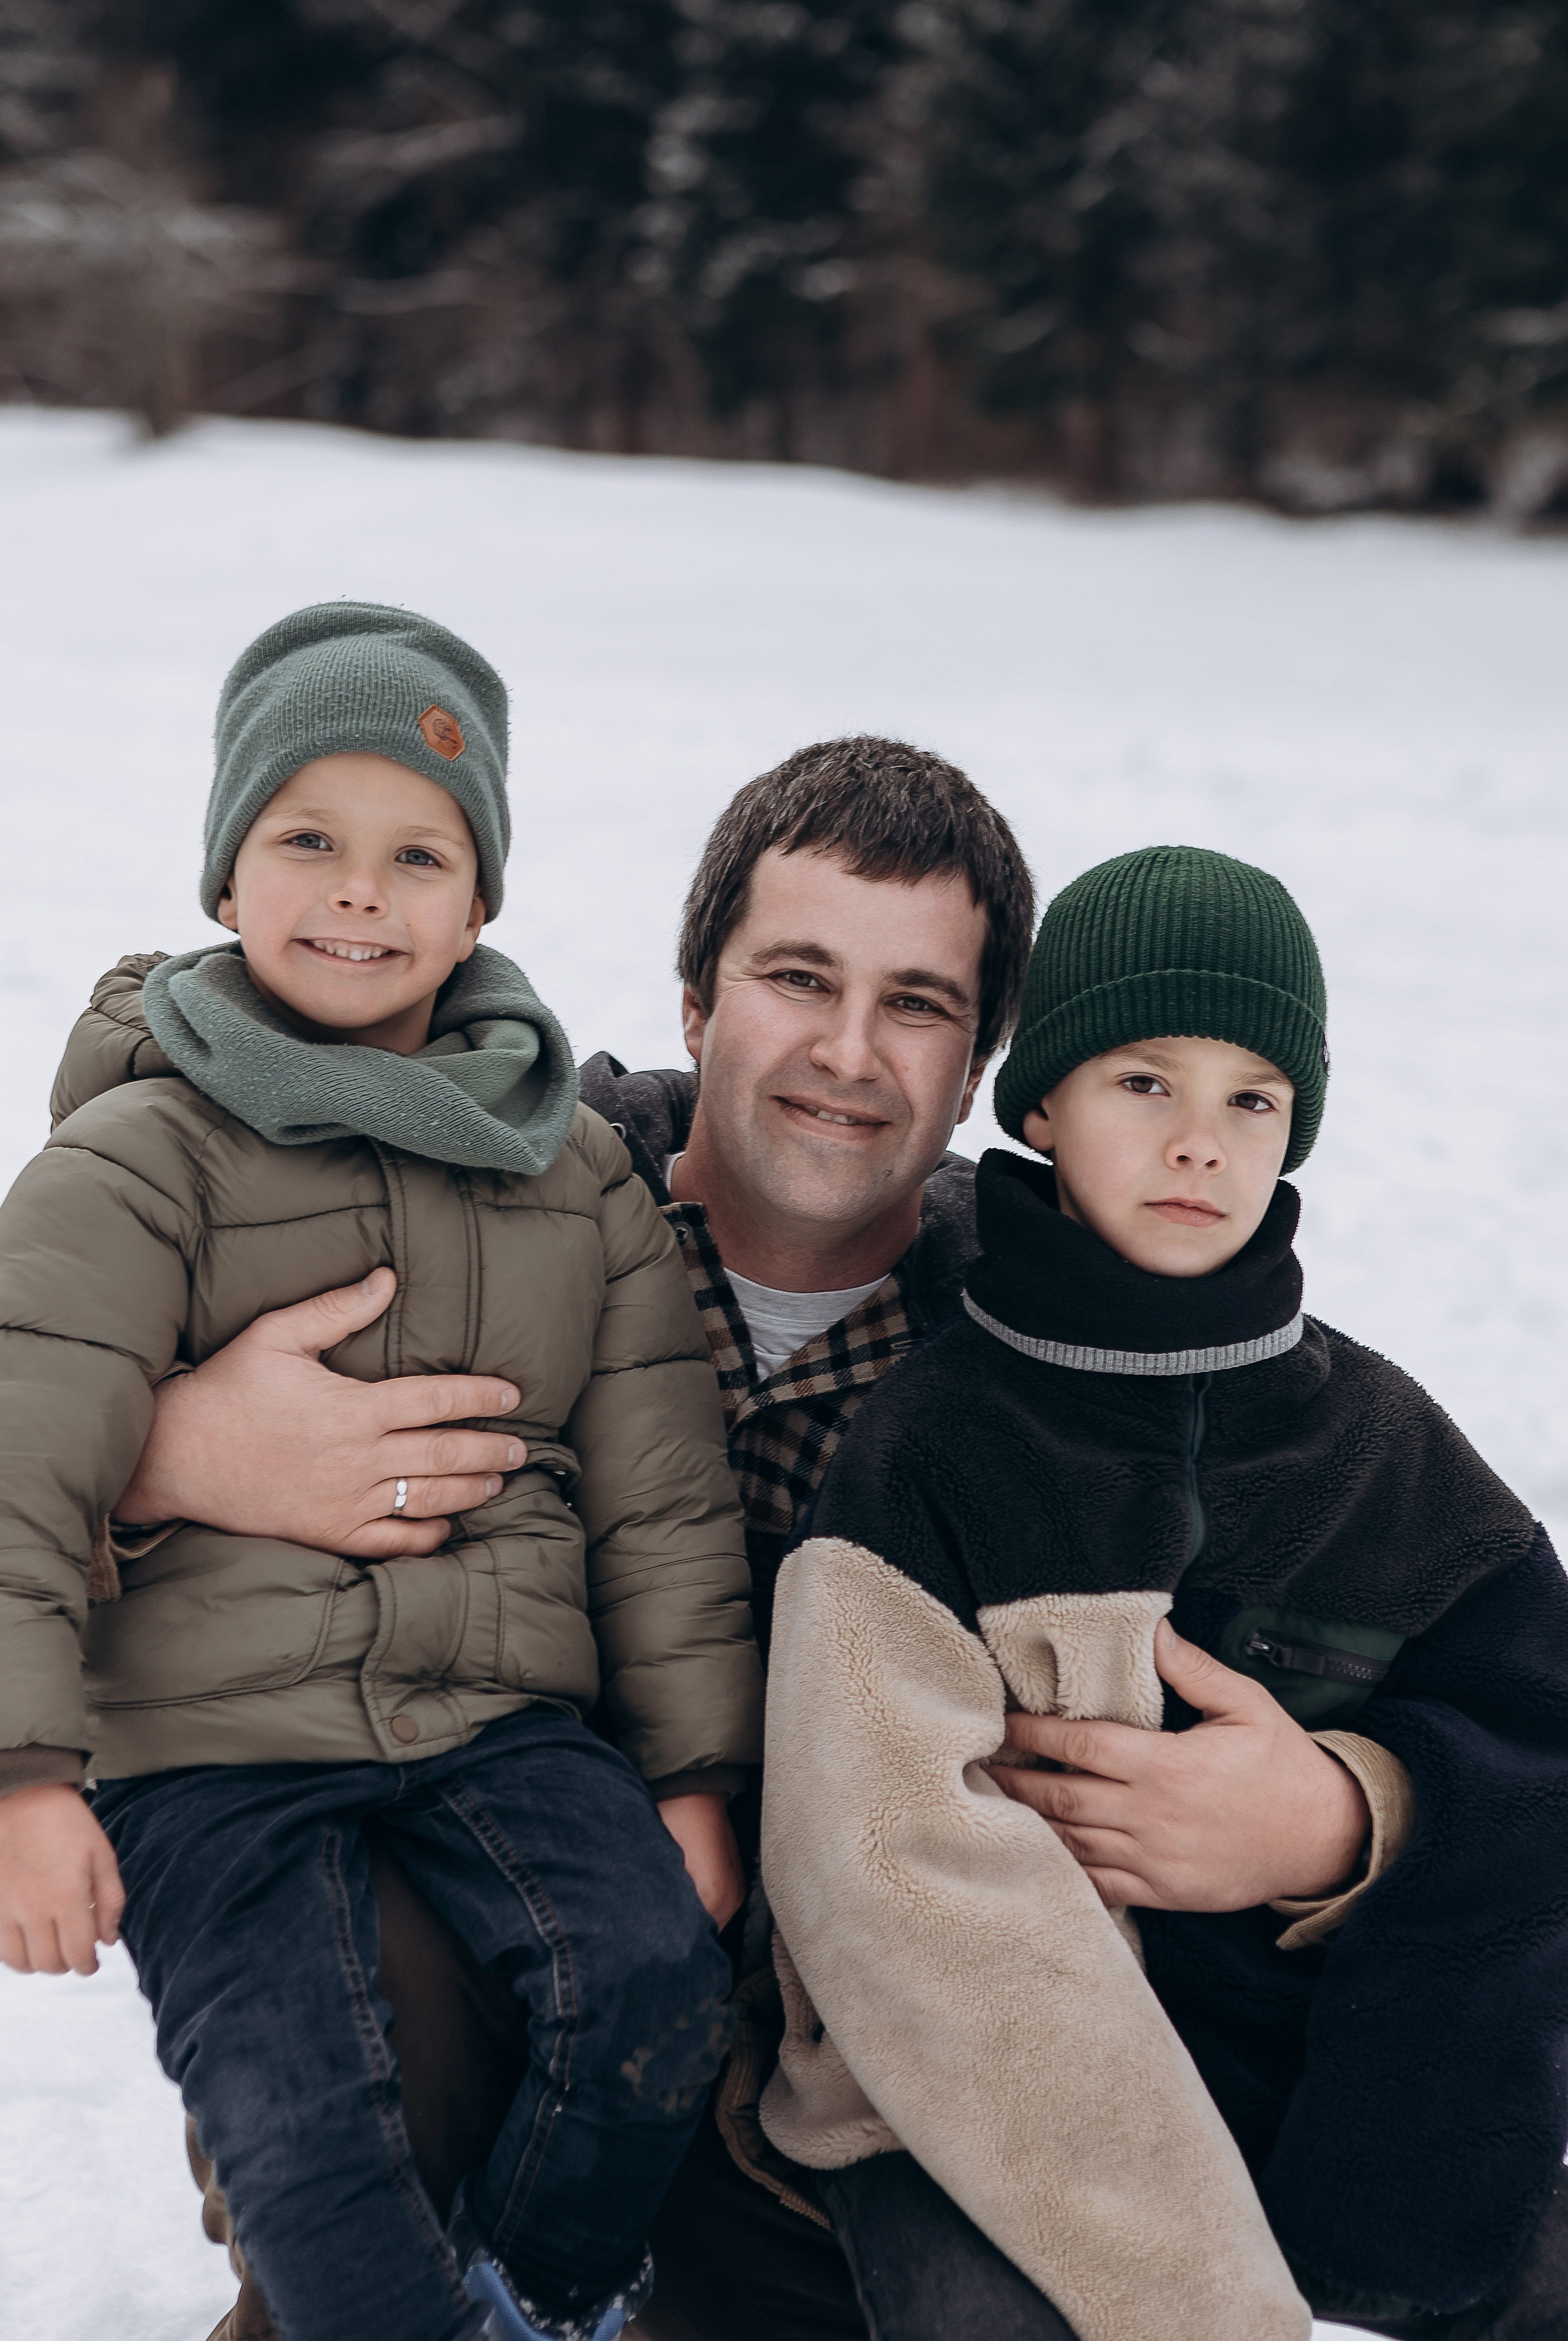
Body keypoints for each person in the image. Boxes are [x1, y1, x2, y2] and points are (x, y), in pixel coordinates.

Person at [88, 749, 1435, 2341]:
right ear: (694, 996)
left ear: (987, 1062)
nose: (850, 1054)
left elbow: (1476, 1683)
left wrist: (1345, 1817)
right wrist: (161, 1453)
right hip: (444, 2006)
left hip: (835, 2082)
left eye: (919, 1004)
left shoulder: (1092, 1344)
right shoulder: (454, 1217)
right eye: (799, 978)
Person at [0, 602, 764, 2341]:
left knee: (650, 1988)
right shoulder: (138, 1157)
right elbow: (21, 1443)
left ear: (481, 902)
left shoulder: (571, 1177)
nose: (362, 890)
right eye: (309, 840)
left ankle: (527, 2306)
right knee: (312, 2140)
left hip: (501, 1725)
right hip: (214, 1754)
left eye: (419, 853)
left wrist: (700, 1772)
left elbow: (659, 1504)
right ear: (225, 880)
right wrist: (25, 1775)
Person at [761, 845, 1568, 2341]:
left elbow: (1543, 1750)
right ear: (1042, 1104)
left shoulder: (1380, 1444)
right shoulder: (933, 1443)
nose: (1200, 1142)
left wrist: (1351, 1814)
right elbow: (890, 1878)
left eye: (1249, 1099)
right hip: (969, 2101)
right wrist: (1198, 2303)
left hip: (1317, 2071)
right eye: (1144, 1083)